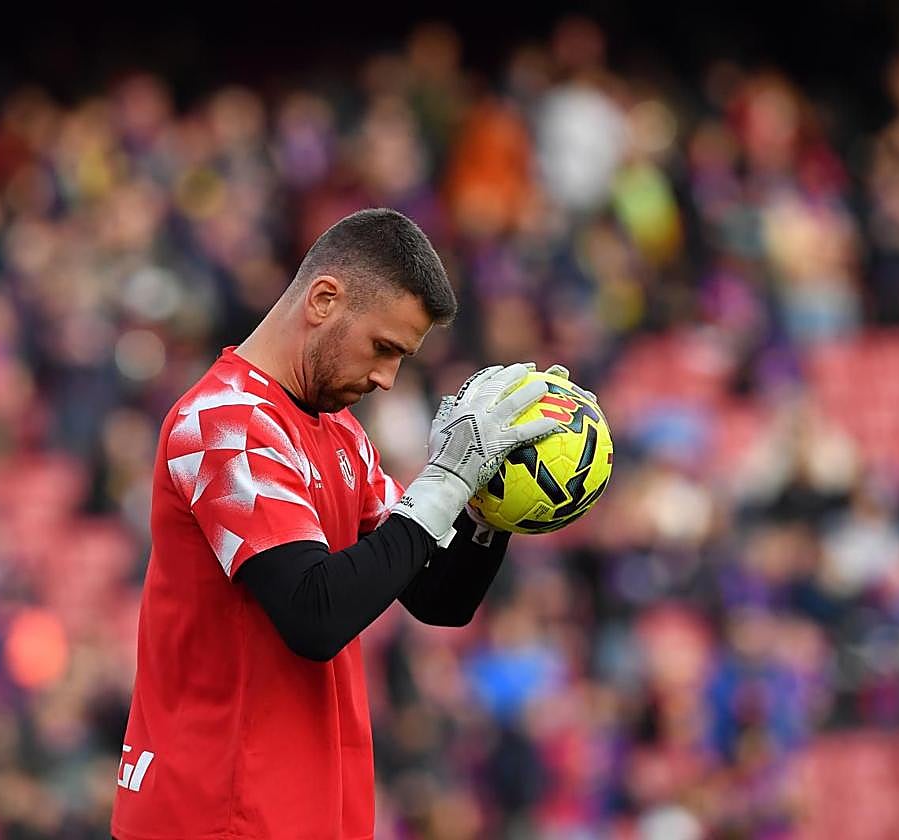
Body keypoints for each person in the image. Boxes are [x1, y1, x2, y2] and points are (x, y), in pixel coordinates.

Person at [111, 208, 563, 839]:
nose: (386, 378)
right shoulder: (226, 422)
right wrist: (445, 481)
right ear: (323, 299)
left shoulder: (339, 434)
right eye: (384, 348)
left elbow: (438, 594)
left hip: (306, 811)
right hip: (218, 814)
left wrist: (495, 497)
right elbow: (313, 613)